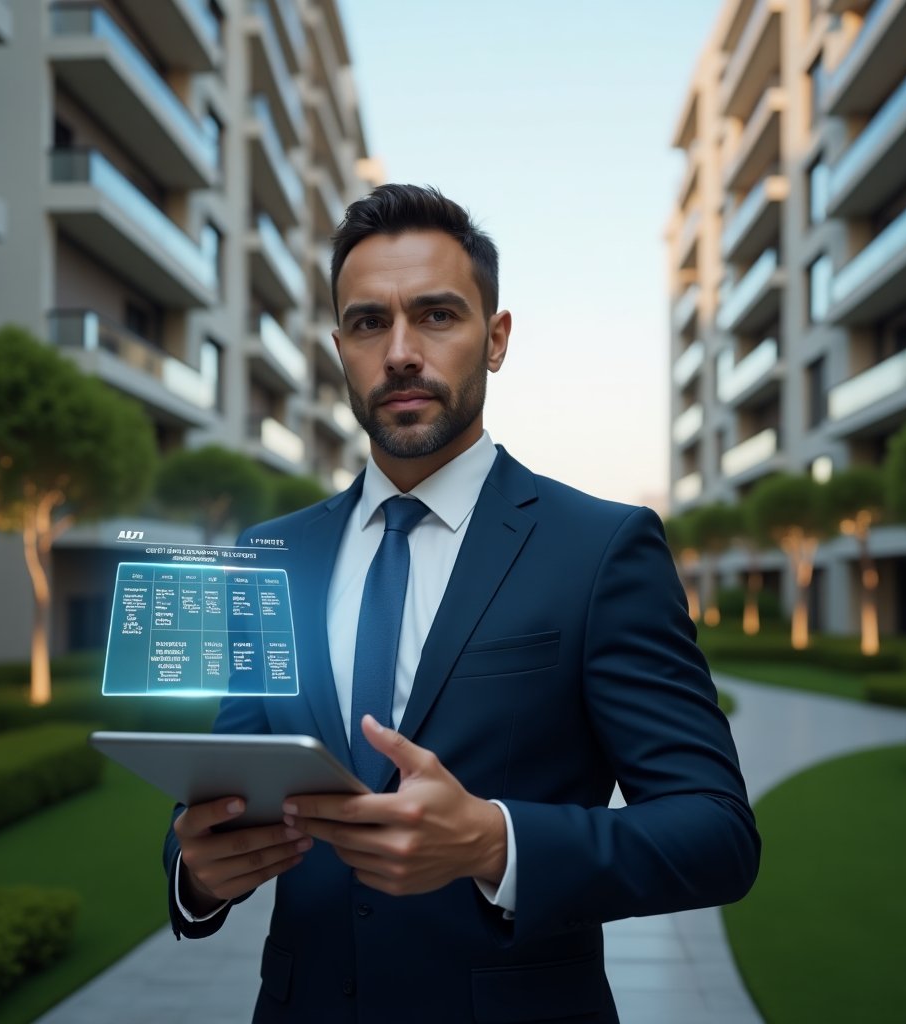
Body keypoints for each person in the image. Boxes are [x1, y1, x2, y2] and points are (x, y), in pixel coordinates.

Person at [163, 184, 760, 1023]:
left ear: (497, 338)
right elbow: (231, 778)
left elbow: (715, 834)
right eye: (370, 323)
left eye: (437, 316)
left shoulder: (600, 548)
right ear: (340, 347)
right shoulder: (273, 554)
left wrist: (494, 842)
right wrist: (196, 871)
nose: (401, 351)